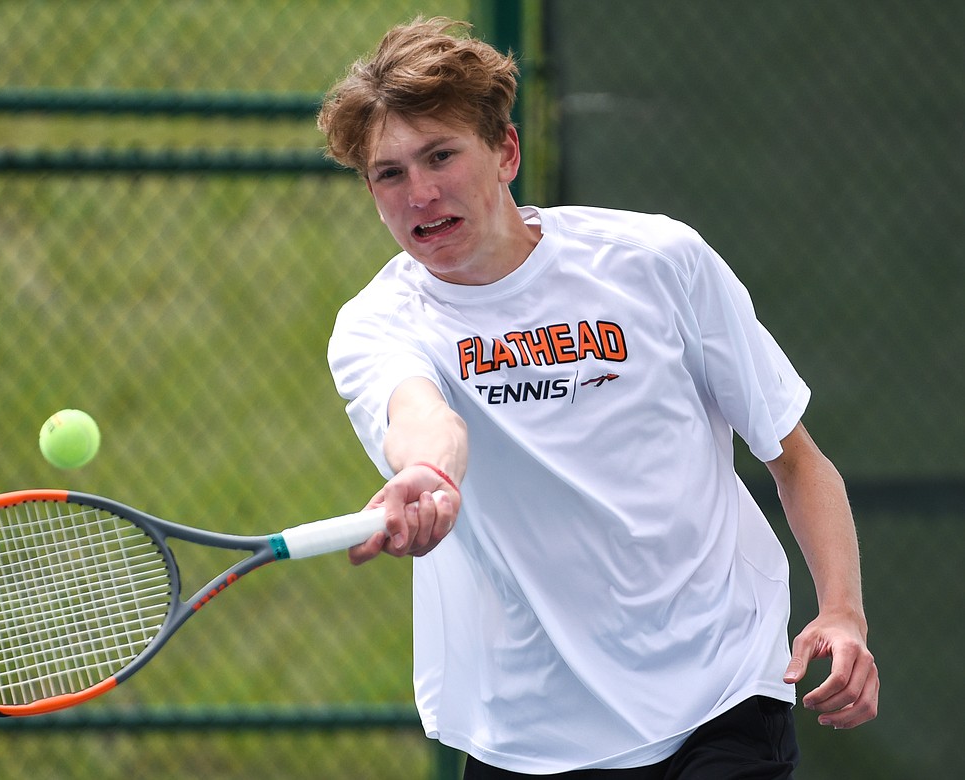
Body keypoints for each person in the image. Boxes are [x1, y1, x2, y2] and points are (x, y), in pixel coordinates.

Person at [316, 16, 878, 779]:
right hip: (528, 735)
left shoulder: (657, 261)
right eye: (389, 174)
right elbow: (420, 414)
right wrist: (431, 475)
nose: (419, 193)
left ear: (505, 151)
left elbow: (796, 460)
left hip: (721, 696)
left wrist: (842, 610)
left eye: (441, 155)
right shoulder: (377, 324)